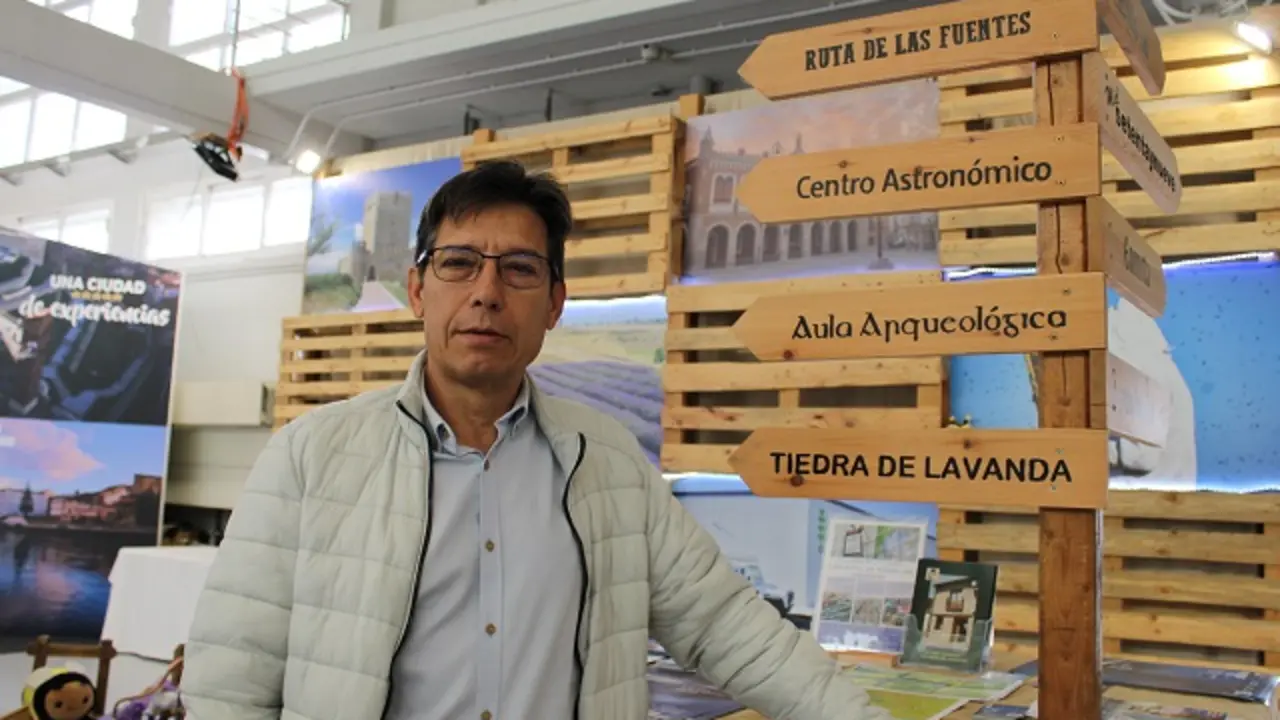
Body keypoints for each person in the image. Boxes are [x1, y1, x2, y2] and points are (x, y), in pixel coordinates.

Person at [181, 160, 890, 720]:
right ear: (418, 288)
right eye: (459, 263)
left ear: (554, 303)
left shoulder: (607, 459)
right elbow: (233, 677)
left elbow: (727, 625)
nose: (487, 292)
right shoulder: (314, 456)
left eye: (519, 269)